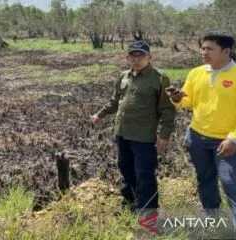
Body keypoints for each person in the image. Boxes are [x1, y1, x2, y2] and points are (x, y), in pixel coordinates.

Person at [167, 32, 236, 239]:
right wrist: (177, 98)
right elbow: (188, 101)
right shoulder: (196, 73)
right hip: (198, 139)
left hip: (229, 142)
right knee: (205, 181)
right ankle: (213, 221)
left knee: (235, 187)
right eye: (202, 48)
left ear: (226, 51)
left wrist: (235, 138)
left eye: (209, 49)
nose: (203, 52)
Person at [91, 40, 176, 235]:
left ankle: (149, 218)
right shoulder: (123, 76)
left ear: (149, 57)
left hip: (144, 137)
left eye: (141, 55)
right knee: (125, 168)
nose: (136, 59)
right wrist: (99, 115)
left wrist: (164, 136)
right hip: (122, 133)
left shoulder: (160, 79)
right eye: (133, 56)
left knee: (145, 175)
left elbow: (167, 110)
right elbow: (115, 101)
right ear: (128, 57)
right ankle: (131, 203)